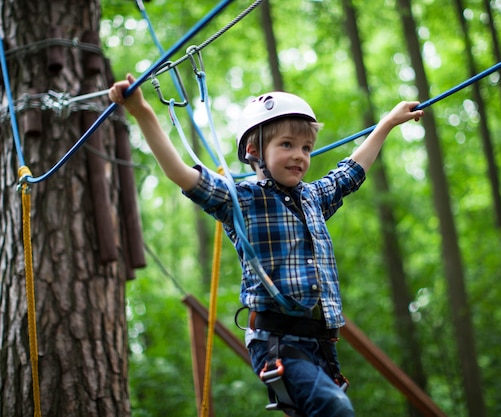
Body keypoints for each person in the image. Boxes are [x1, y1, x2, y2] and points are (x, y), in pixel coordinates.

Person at [109, 74, 424, 417]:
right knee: (335, 409)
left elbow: (350, 171)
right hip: (278, 342)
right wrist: (142, 112)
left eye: (306, 148)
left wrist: (388, 123)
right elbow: (181, 173)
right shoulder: (241, 200)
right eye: (286, 145)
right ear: (254, 151)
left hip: (321, 344)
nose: (300, 156)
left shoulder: (313, 197)